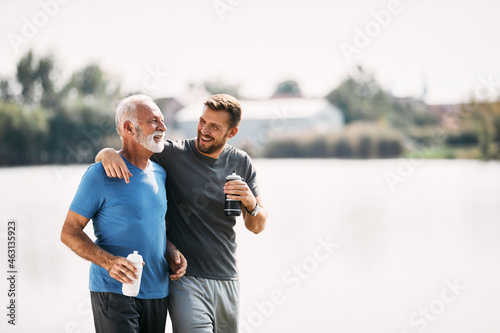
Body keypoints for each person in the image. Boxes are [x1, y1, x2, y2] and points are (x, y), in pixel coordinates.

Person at [97, 94, 268, 332]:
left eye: (214, 127)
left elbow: (257, 225)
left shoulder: (242, 162)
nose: (204, 130)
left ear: (232, 133)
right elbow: (130, 149)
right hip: (186, 280)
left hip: (228, 278)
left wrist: (250, 202)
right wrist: (105, 153)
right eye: (202, 121)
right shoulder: (171, 154)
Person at [61, 94, 185, 333]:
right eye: (153, 121)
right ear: (129, 127)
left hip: (157, 292)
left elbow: (153, 225)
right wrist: (109, 263)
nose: (163, 127)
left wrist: (170, 250)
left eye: (162, 120)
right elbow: (68, 231)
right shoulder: (99, 174)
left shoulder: (160, 172)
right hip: (114, 291)